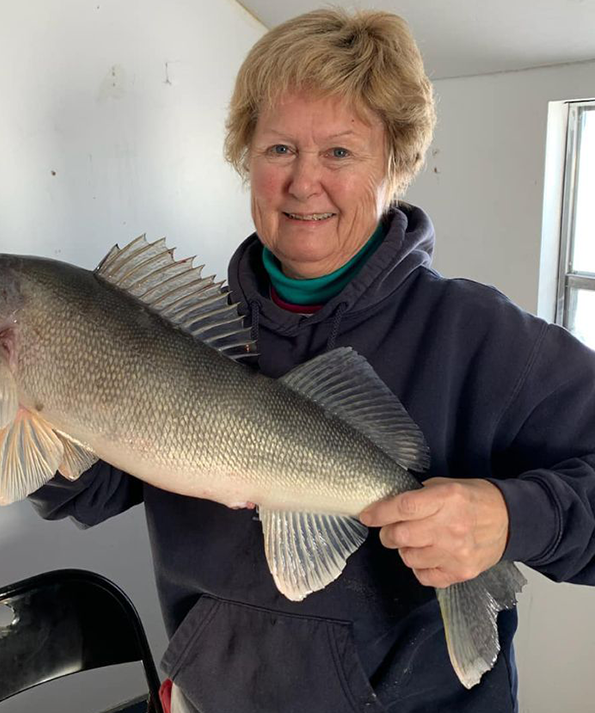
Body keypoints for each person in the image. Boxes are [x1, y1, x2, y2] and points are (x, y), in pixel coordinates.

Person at [29, 9, 595, 712]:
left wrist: (514, 518)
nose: (303, 183)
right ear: (246, 157)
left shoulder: (480, 338)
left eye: (340, 153)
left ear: (396, 163)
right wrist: (40, 405)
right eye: (278, 149)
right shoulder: (187, 328)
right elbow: (91, 489)